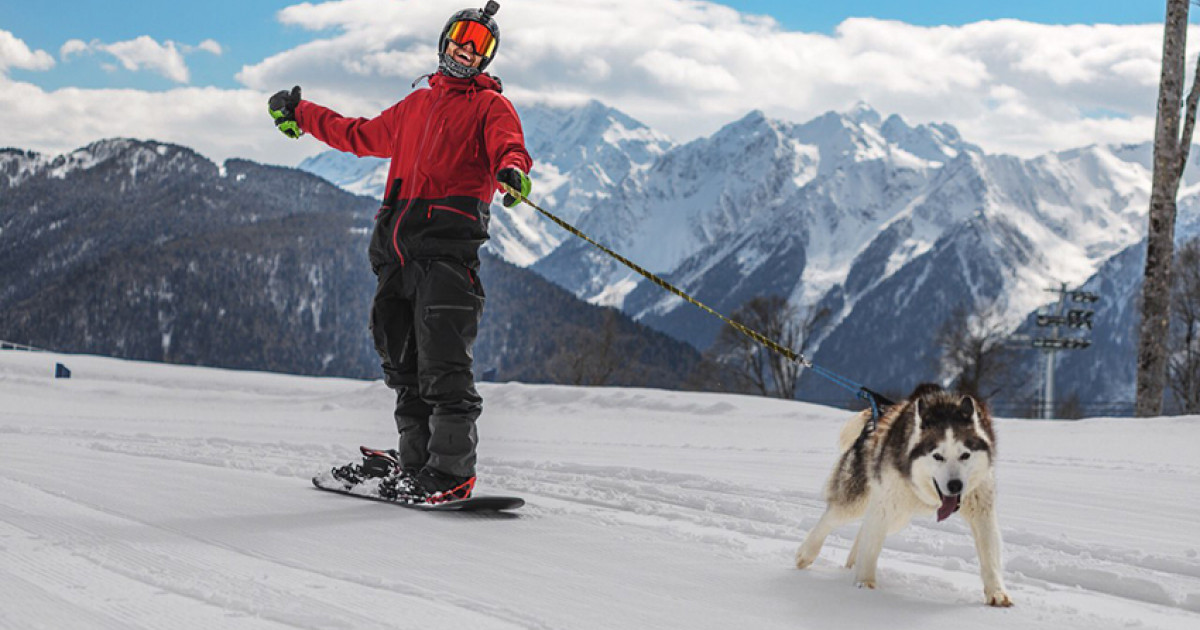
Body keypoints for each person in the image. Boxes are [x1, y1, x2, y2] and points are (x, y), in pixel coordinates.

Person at [269, 1, 532, 504]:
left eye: (480, 46)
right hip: (394, 254)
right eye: (461, 37)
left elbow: (508, 146)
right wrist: (302, 114)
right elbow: (358, 134)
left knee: (444, 364)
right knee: (403, 363)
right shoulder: (416, 106)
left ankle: (451, 470)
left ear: (488, 59)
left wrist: (512, 170)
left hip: (447, 255)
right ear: (444, 40)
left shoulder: (489, 106)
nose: (467, 50)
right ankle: (416, 464)